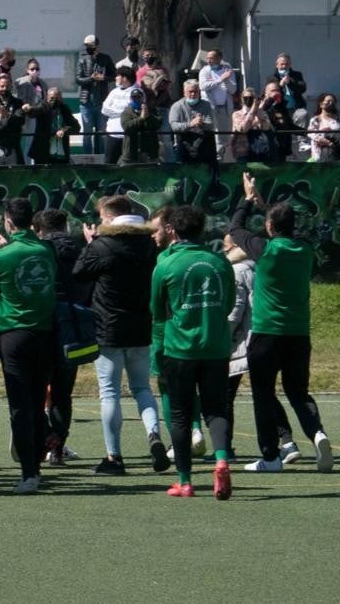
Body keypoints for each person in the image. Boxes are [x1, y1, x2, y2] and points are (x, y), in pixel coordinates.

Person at [228, 173, 332, 473]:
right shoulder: (305, 250)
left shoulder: (266, 250)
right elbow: (281, 224)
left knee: (263, 393)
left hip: (266, 332)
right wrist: (266, 207)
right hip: (298, 334)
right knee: (298, 391)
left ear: (269, 227)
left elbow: (235, 229)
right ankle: (317, 433)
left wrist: (247, 201)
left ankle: (271, 456)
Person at [73, 195, 169, 475]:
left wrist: (91, 243)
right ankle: (154, 436)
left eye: (102, 218)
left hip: (108, 328)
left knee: (110, 392)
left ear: (110, 218)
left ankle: (114, 457)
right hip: (140, 326)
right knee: (142, 389)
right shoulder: (148, 245)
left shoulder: (102, 245)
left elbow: (79, 273)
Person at [150, 206, 235, 499]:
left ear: (173, 230)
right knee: (216, 409)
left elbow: (157, 310)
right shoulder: (220, 262)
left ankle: (185, 481)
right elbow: (228, 303)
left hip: (180, 348)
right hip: (215, 346)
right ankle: (222, 459)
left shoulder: (165, 265)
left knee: (180, 413)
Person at [0, 198, 57, 494]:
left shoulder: (1, 256)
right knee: (36, 402)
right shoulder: (46, 250)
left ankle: (28, 473)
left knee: (20, 406)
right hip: (45, 332)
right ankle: (36, 465)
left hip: (14, 334)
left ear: (9, 221)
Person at [33, 209, 86, 466]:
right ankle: (58, 447)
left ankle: (46, 436)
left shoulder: (39, 252)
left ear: (39, 230)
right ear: (65, 227)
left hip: (42, 327)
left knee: (34, 389)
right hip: (73, 330)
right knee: (63, 393)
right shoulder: (81, 250)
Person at [223, 233, 254, 461]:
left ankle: (225, 446)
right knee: (267, 396)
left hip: (240, 342)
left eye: (226, 247)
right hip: (260, 337)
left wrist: (222, 334)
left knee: (224, 396)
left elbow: (235, 311)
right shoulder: (258, 267)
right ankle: (287, 441)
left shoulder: (237, 271)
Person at [75, 34, 115, 155]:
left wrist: (104, 78)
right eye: (86, 45)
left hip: (102, 102)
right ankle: (88, 158)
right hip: (86, 102)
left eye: (90, 45)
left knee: (101, 133)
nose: (88, 48)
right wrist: (91, 78)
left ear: (96, 46)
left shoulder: (106, 58)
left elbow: (114, 76)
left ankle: (100, 158)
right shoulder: (82, 59)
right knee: (87, 134)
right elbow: (78, 79)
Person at [197, 48, 237, 161]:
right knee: (215, 135)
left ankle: (223, 158)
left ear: (219, 58)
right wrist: (220, 79)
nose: (208, 61)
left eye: (211, 58)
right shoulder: (204, 71)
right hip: (210, 108)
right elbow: (203, 86)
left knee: (225, 135)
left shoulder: (228, 70)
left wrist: (226, 80)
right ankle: (216, 159)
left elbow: (233, 90)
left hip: (225, 107)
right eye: (207, 58)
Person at [136, 47, 174, 162]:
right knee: (150, 137)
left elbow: (165, 87)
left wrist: (155, 86)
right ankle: (153, 160)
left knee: (166, 137)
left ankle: (171, 162)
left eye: (151, 55)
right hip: (148, 108)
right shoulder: (140, 72)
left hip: (162, 106)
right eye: (146, 55)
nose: (149, 57)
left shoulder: (163, 70)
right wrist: (154, 85)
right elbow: (143, 88)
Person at [168, 80, 216, 166]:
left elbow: (211, 124)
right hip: (184, 143)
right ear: (184, 92)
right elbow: (174, 125)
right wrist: (190, 124)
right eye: (190, 92)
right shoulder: (177, 106)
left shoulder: (206, 105)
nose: (193, 94)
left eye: (195, 91)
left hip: (203, 143)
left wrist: (202, 123)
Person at [29, 87, 79, 165]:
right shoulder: (43, 106)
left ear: (61, 98)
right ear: (47, 98)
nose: (54, 101)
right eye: (52, 98)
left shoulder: (64, 109)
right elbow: (34, 112)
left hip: (61, 152)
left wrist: (64, 130)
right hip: (43, 150)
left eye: (57, 98)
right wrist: (28, 109)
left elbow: (76, 127)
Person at [102, 67, 138, 164]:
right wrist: (122, 113)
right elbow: (104, 109)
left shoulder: (136, 92)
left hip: (127, 136)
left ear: (125, 78)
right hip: (111, 134)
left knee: (127, 164)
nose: (116, 78)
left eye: (118, 75)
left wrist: (115, 113)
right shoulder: (114, 91)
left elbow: (133, 112)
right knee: (109, 163)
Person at [15, 59, 48, 161]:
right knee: (27, 141)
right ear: (27, 70)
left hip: (39, 115)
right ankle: (26, 163)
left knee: (35, 141)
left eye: (37, 69)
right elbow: (21, 101)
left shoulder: (42, 83)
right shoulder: (22, 83)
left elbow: (44, 98)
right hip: (27, 115)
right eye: (32, 69)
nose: (35, 71)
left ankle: (34, 163)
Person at [230, 87, 275, 162]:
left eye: (251, 98)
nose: (248, 100)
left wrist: (259, 113)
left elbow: (267, 127)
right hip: (243, 152)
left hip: (260, 151)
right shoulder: (237, 114)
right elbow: (243, 129)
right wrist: (253, 111)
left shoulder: (261, 112)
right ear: (242, 99)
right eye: (246, 98)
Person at [119, 87, 161, 165]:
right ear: (131, 99)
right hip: (131, 154)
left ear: (143, 98)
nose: (136, 100)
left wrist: (148, 116)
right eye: (134, 98)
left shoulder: (152, 110)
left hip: (150, 153)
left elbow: (158, 124)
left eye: (138, 97)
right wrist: (141, 118)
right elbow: (127, 126)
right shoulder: (126, 112)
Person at [266, 53, 308, 125]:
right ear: (277, 65)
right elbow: (268, 94)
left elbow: (302, 89)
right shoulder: (272, 78)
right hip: (280, 108)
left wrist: (290, 82)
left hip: (296, 107)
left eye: (286, 64)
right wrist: (280, 86)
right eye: (282, 64)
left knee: (303, 115)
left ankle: (301, 136)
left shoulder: (297, 75)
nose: (284, 66)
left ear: (290, 65)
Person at [306, 93, 340, 162]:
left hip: (337, 153)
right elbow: (312, 135)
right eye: (328, 101)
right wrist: (328, 142)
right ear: (321, 104)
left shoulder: (339, 119)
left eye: (333, 102)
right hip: (319, 155)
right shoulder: (315, 120)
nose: (331, 103)